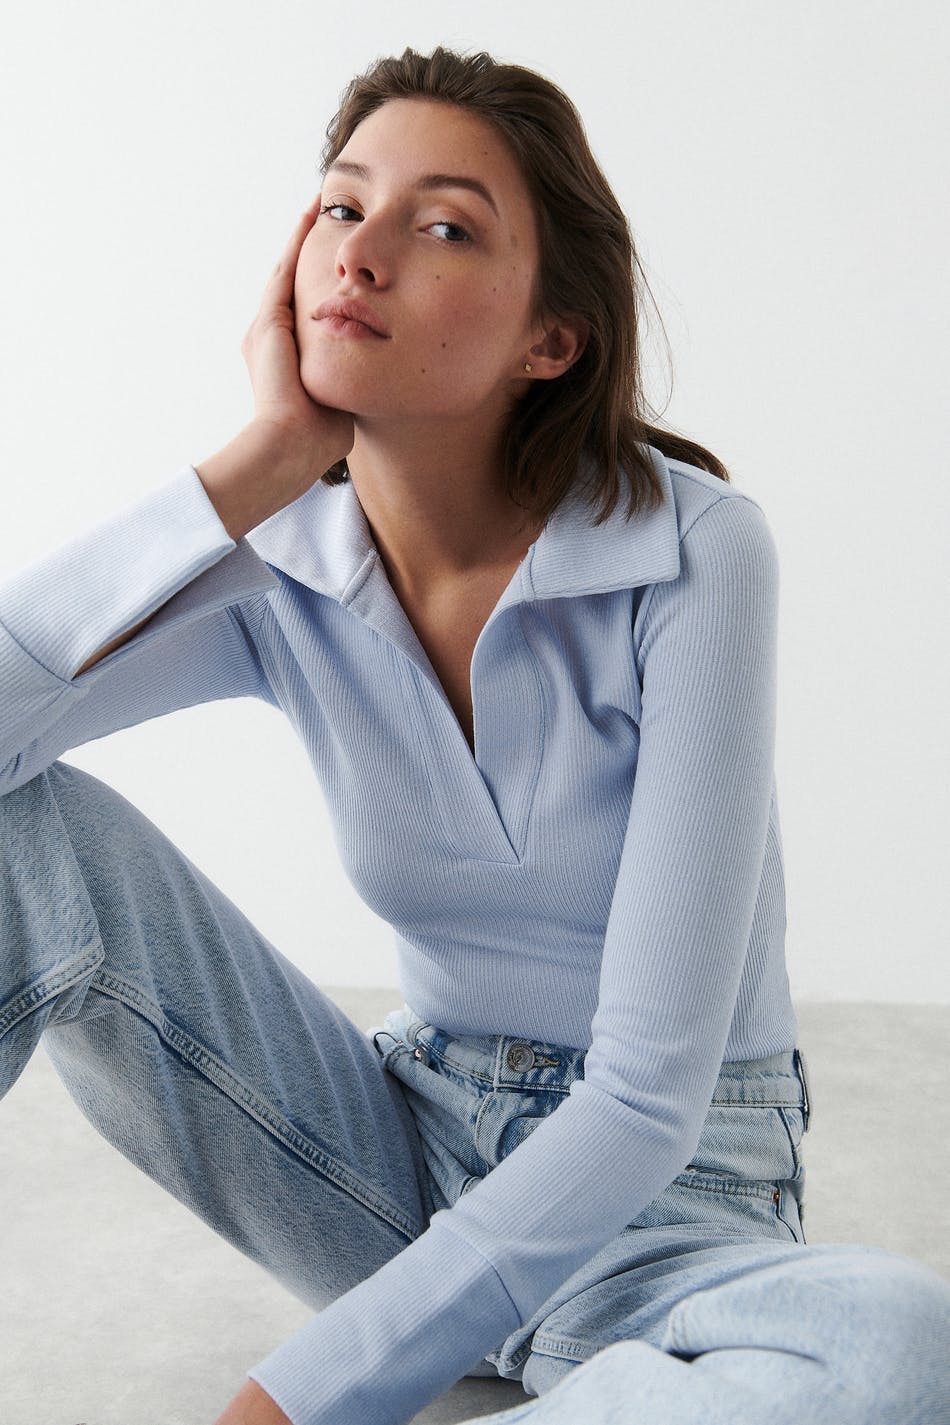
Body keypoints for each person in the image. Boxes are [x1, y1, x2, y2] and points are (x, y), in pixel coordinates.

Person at [0, 43, 947, 1425]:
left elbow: (645, 1098)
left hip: (668, 1204)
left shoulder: (690, 555)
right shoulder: (285, 564)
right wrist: (258, 462)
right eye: (341, 206)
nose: (361, 251)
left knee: (899, 1344)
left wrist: (290, 1402)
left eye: (442, 226)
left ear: (549, 340)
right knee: (23, 834)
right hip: (392, 1165)